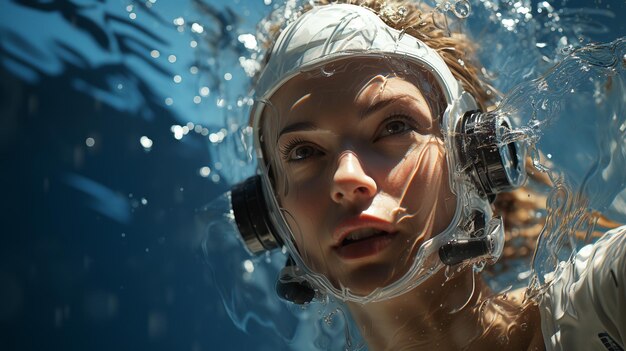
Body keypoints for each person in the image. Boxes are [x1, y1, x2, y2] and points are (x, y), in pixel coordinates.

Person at [227, 0, 625, 349]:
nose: (345, 177)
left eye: (394, 126)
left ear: (474, 157)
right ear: (271, 213)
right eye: (303, 152)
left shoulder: (604, 304)